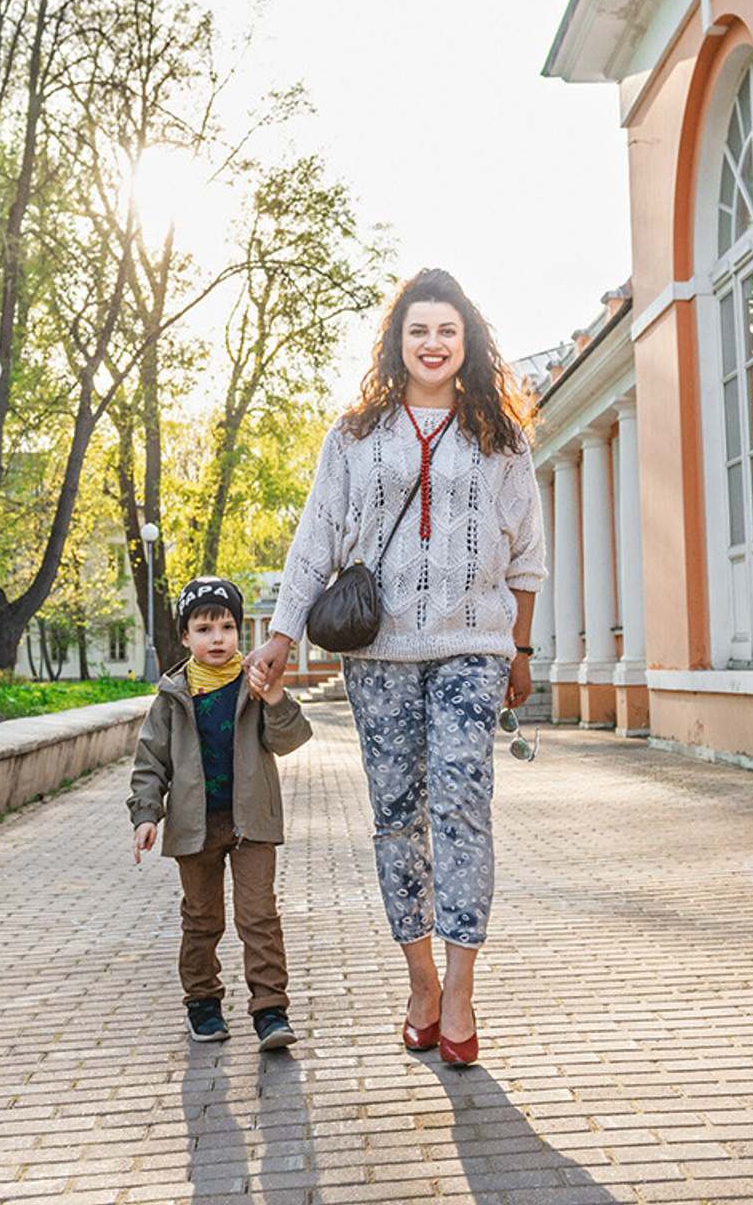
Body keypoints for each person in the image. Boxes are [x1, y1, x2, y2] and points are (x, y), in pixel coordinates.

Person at [248, 268, 546, 1066]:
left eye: (448, 330)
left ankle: (459, 992)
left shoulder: (502, 439)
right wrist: (279, 636)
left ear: (468, 342)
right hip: (378, 655)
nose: (434, 344)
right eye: (419, 330)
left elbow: (528, 559)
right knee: (397, 816)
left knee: (462, 804)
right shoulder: (354, 436)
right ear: (398, 340)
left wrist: (520, 649)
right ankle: (418, 980)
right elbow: (315, 540)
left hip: (472, 648)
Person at [128, 576, 312, 1051]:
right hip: (195, 826)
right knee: (202, 918)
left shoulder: (253, 684)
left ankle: (270, 1010)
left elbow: (289, 741)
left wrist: (275, 698)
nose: (218, 638)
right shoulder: (172, 697)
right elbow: (151, 762)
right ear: (186, 637)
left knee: (259, 916)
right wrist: (147, 815)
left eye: (227, 627)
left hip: (251, 822)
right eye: (205, 628)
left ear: (240, 634)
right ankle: (203, 1003)